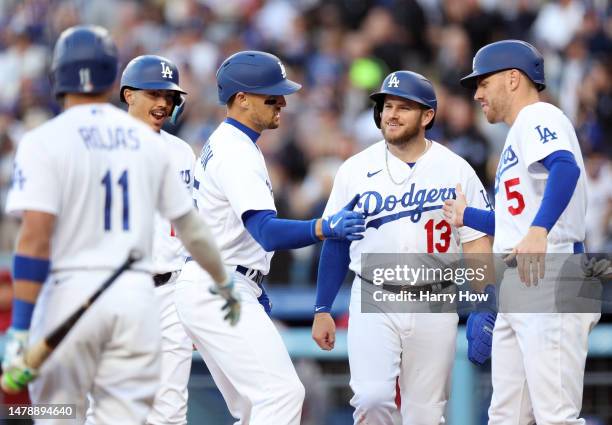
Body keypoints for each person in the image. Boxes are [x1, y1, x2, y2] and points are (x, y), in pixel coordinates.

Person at [0, 26, 239, 424]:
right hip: (131, 302)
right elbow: (194, 229)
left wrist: (21, 329)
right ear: (116, 84)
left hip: (75, 293)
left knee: (58, 413)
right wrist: (222, 280)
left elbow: (34, 240)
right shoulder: (144, 143)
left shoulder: (43, 140)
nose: (163, 103)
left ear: (57, 75)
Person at [174, 50, 365, 424]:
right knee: (282, 395)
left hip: (216, 282)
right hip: (219, 285)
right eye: (270, 95)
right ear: (241, 98)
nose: (281, 102)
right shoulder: (235, 151)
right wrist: (322, 227)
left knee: (253, 407)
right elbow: (266, 232)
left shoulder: (231, 143)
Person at [311, 70, 492, 425]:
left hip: (435, 297)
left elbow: (475, 242)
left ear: (427, 116)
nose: (391, 114)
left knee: (425, 415)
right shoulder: (355, 170)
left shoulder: (456, 169)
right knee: (372, 399)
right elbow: (335, 243)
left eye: (404, 107)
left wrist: (486, 302)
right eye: (387, 106)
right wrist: (322, 306)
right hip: (374, 292)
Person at [444, 39, 600, 424]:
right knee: (506, 416)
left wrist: (539, 229)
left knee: (556, 416)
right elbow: (516, 225)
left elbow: (565, 168)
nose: (477, 93)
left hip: (554, 270)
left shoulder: (538, 116)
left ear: (513, 78)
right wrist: (469, 217)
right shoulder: (518, 133)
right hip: (524, 274)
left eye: (483, 82)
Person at [119, 55, 195, 425]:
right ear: (129, 95)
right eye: (154, 94)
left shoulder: (182, 152)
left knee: (169, 411)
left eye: (170, 96)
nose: (164, 103)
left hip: (171, 291)